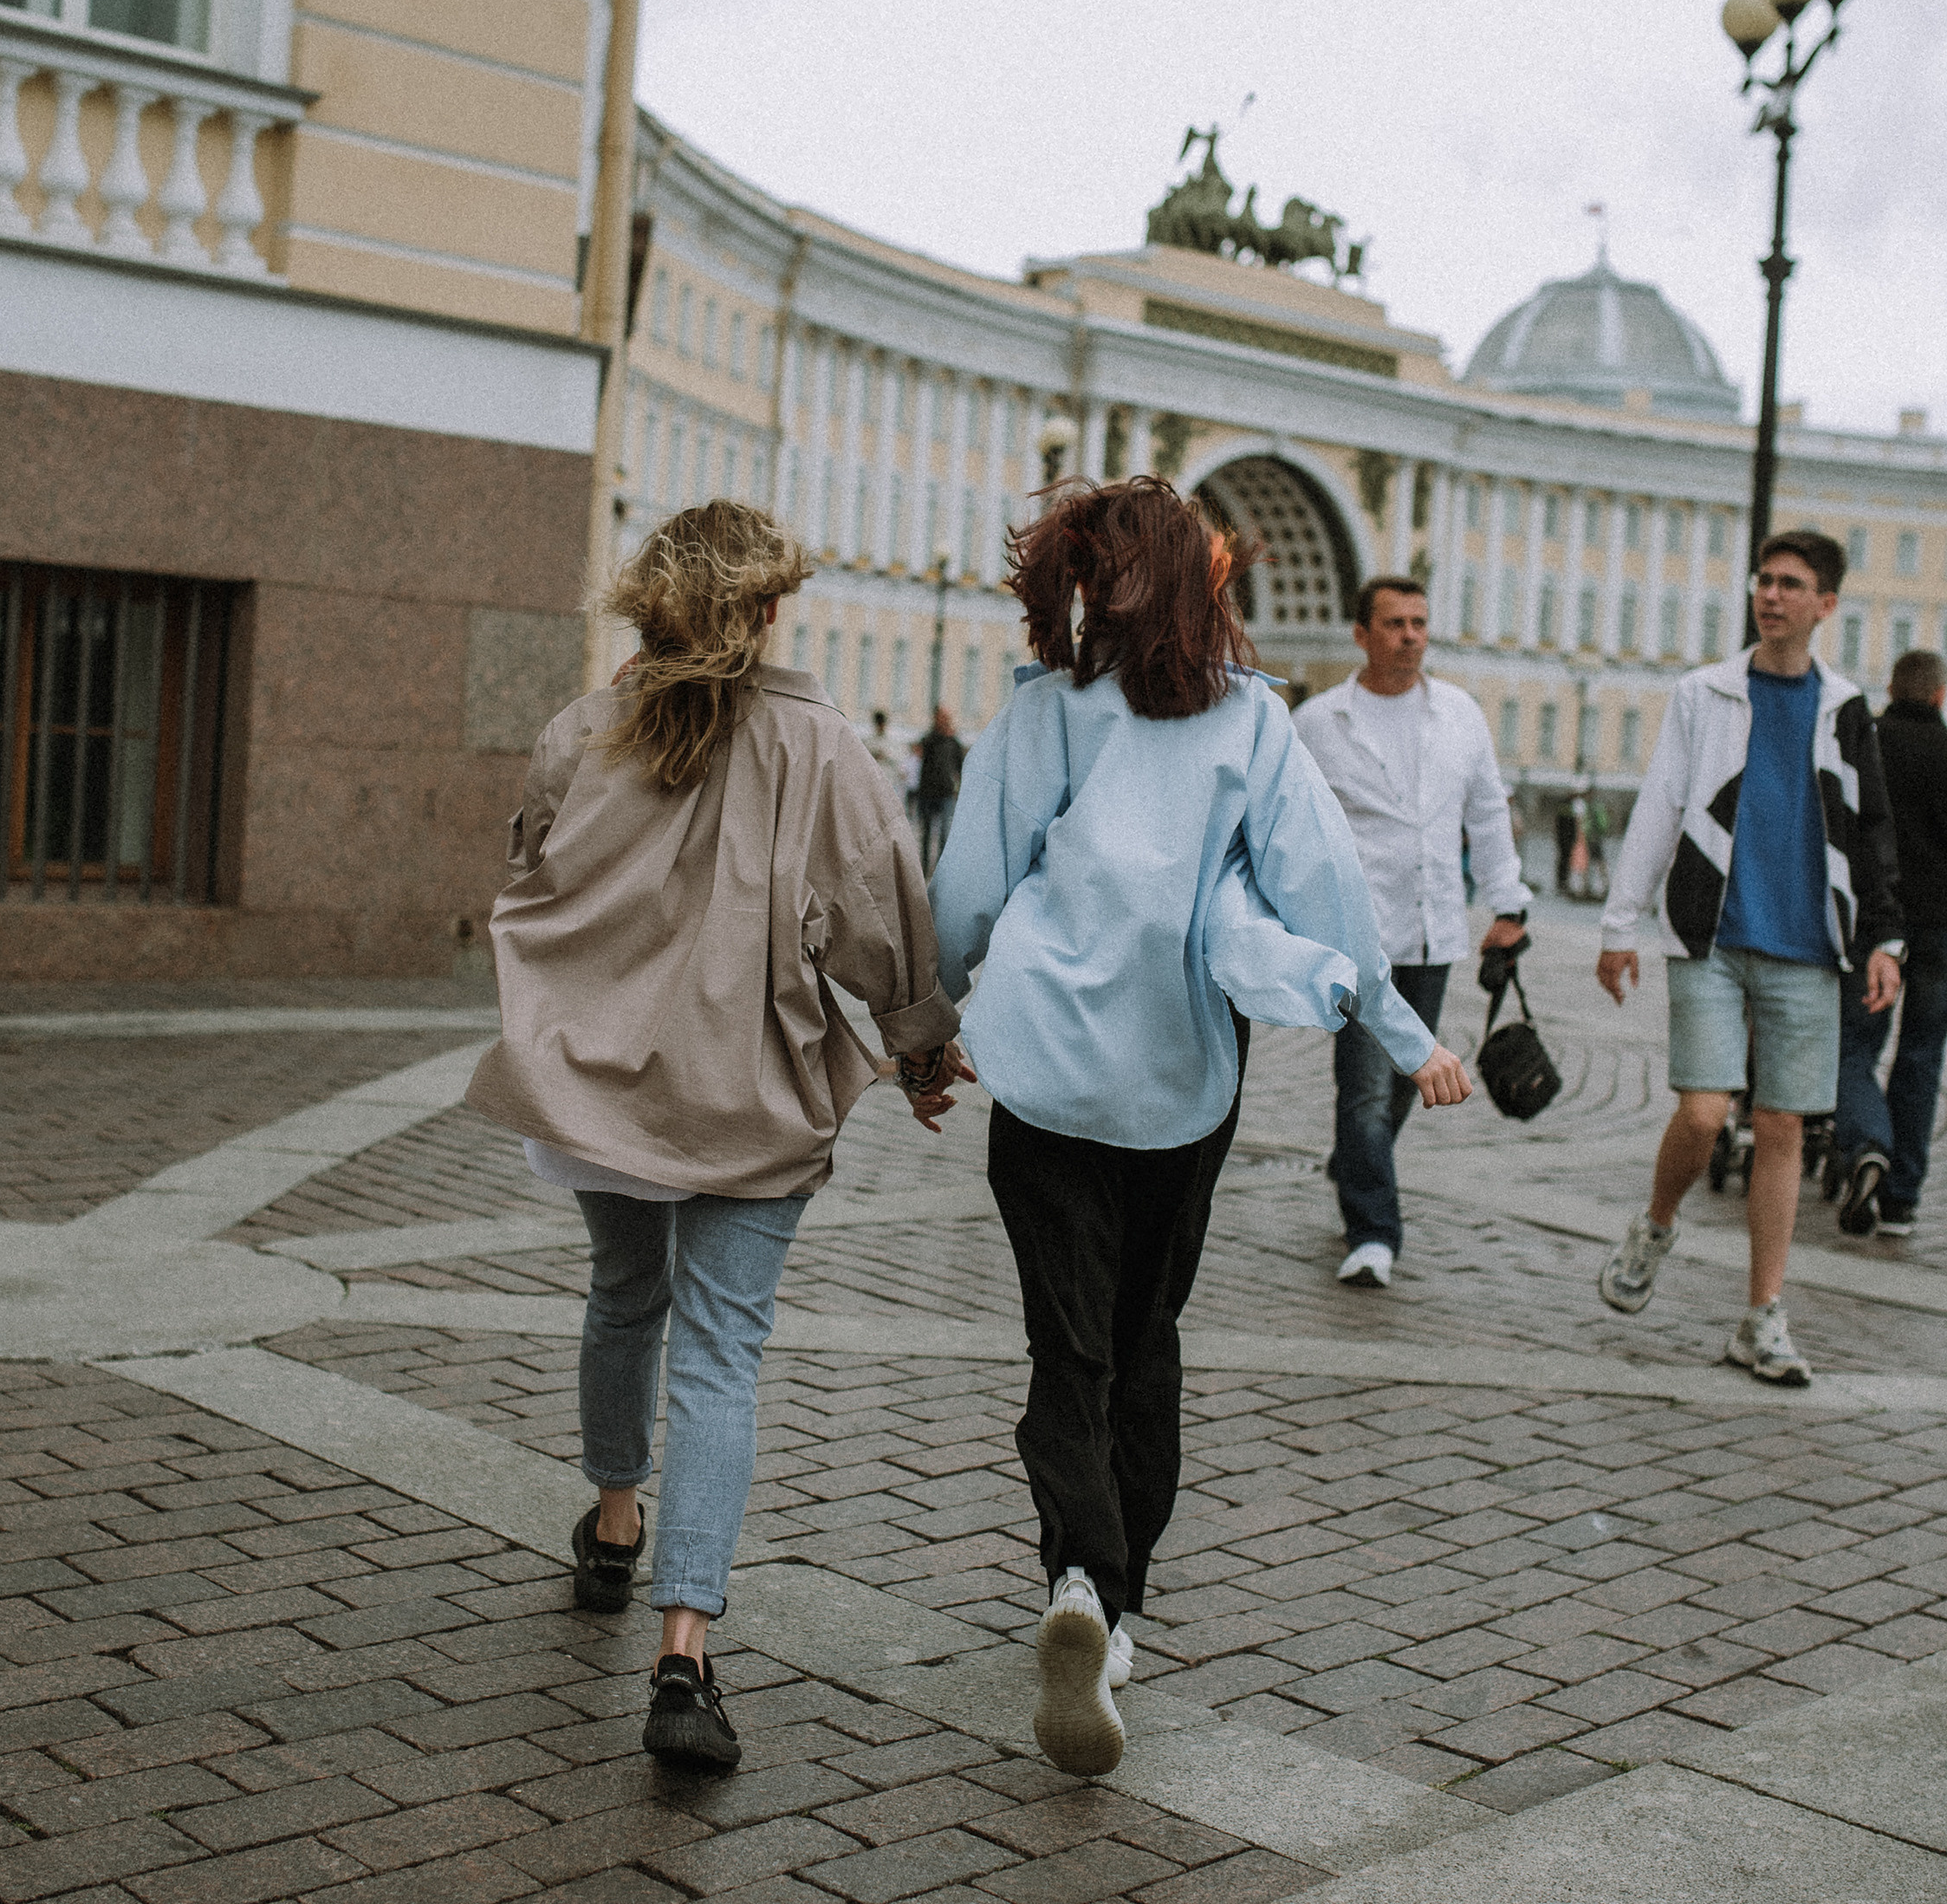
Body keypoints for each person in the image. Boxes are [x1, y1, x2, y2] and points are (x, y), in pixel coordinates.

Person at [931, 482, 1471, 1778]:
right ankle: (1115, 1612)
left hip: (1044, 1077)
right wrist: (1409, 1036)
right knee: (1142, 1340)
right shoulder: (1253, 725)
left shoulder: (1043, 710)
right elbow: (1327, 895)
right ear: (1202, 587)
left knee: (1064, 1347)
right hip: (1177, 1092)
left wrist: (925, 1024)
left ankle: (1076, 1566)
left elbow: (964, 889)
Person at [464, 502, 968, 1771]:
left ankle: (616, 1522)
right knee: (722, 1356)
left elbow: (526, 880)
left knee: (624, 1293)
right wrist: (917, 1044)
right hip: (747, 1087)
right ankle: (684, 1649)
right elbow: (875, 912)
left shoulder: (584, 731)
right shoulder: (821, 740)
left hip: (604, 1086)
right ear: (758, 610)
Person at [1594, 530, 1903, 1386]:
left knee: (1783, 1127)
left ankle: (1762, 1317)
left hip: (1810, 948)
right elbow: (1661, 802)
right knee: (1702, 1113)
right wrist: (1621, 924)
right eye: (1764, 580)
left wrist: (1884, 938)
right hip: (1714, 933)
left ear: (1825, 605)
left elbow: (1873, 829)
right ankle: (1656, 1224)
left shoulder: (1846, 708)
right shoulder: (1705, 693)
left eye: (1791, 584)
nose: (1771, 595)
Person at [1292, 576, 1529, 1286]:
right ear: (1361, 634)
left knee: (1404, 1080)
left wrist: (1508, 904)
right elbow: (1292, 827)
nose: (1411, 635)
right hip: (1357, 937)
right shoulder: (1319, 722)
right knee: (1364, 1089)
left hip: (1433, 929)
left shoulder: (1458, 713)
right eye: (1394, 623)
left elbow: (1487, 813)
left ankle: (1356, 1160)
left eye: (1420, 622)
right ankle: (1373, 1232)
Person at [1828, 649, 1947, 1236]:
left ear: (1892, 688)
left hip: (1874, 921)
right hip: (1940, 931)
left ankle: (1867, 1141)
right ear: (1939, 695)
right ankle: (1901, 1197)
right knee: (1922, 1055)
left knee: (1854, 1045)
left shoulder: (1866, 740)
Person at [914, 705, 965, 873]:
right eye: (941, 717)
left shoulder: (953, 742)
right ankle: (924, 866)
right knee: (927, 832)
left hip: (946, 794)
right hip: (927, 793)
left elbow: (960, 767)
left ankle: (941, 869)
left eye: (946, 717)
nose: (944, 720)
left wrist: (958, 788)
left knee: (944, 833)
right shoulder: (929, 739)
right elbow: (920, 750)